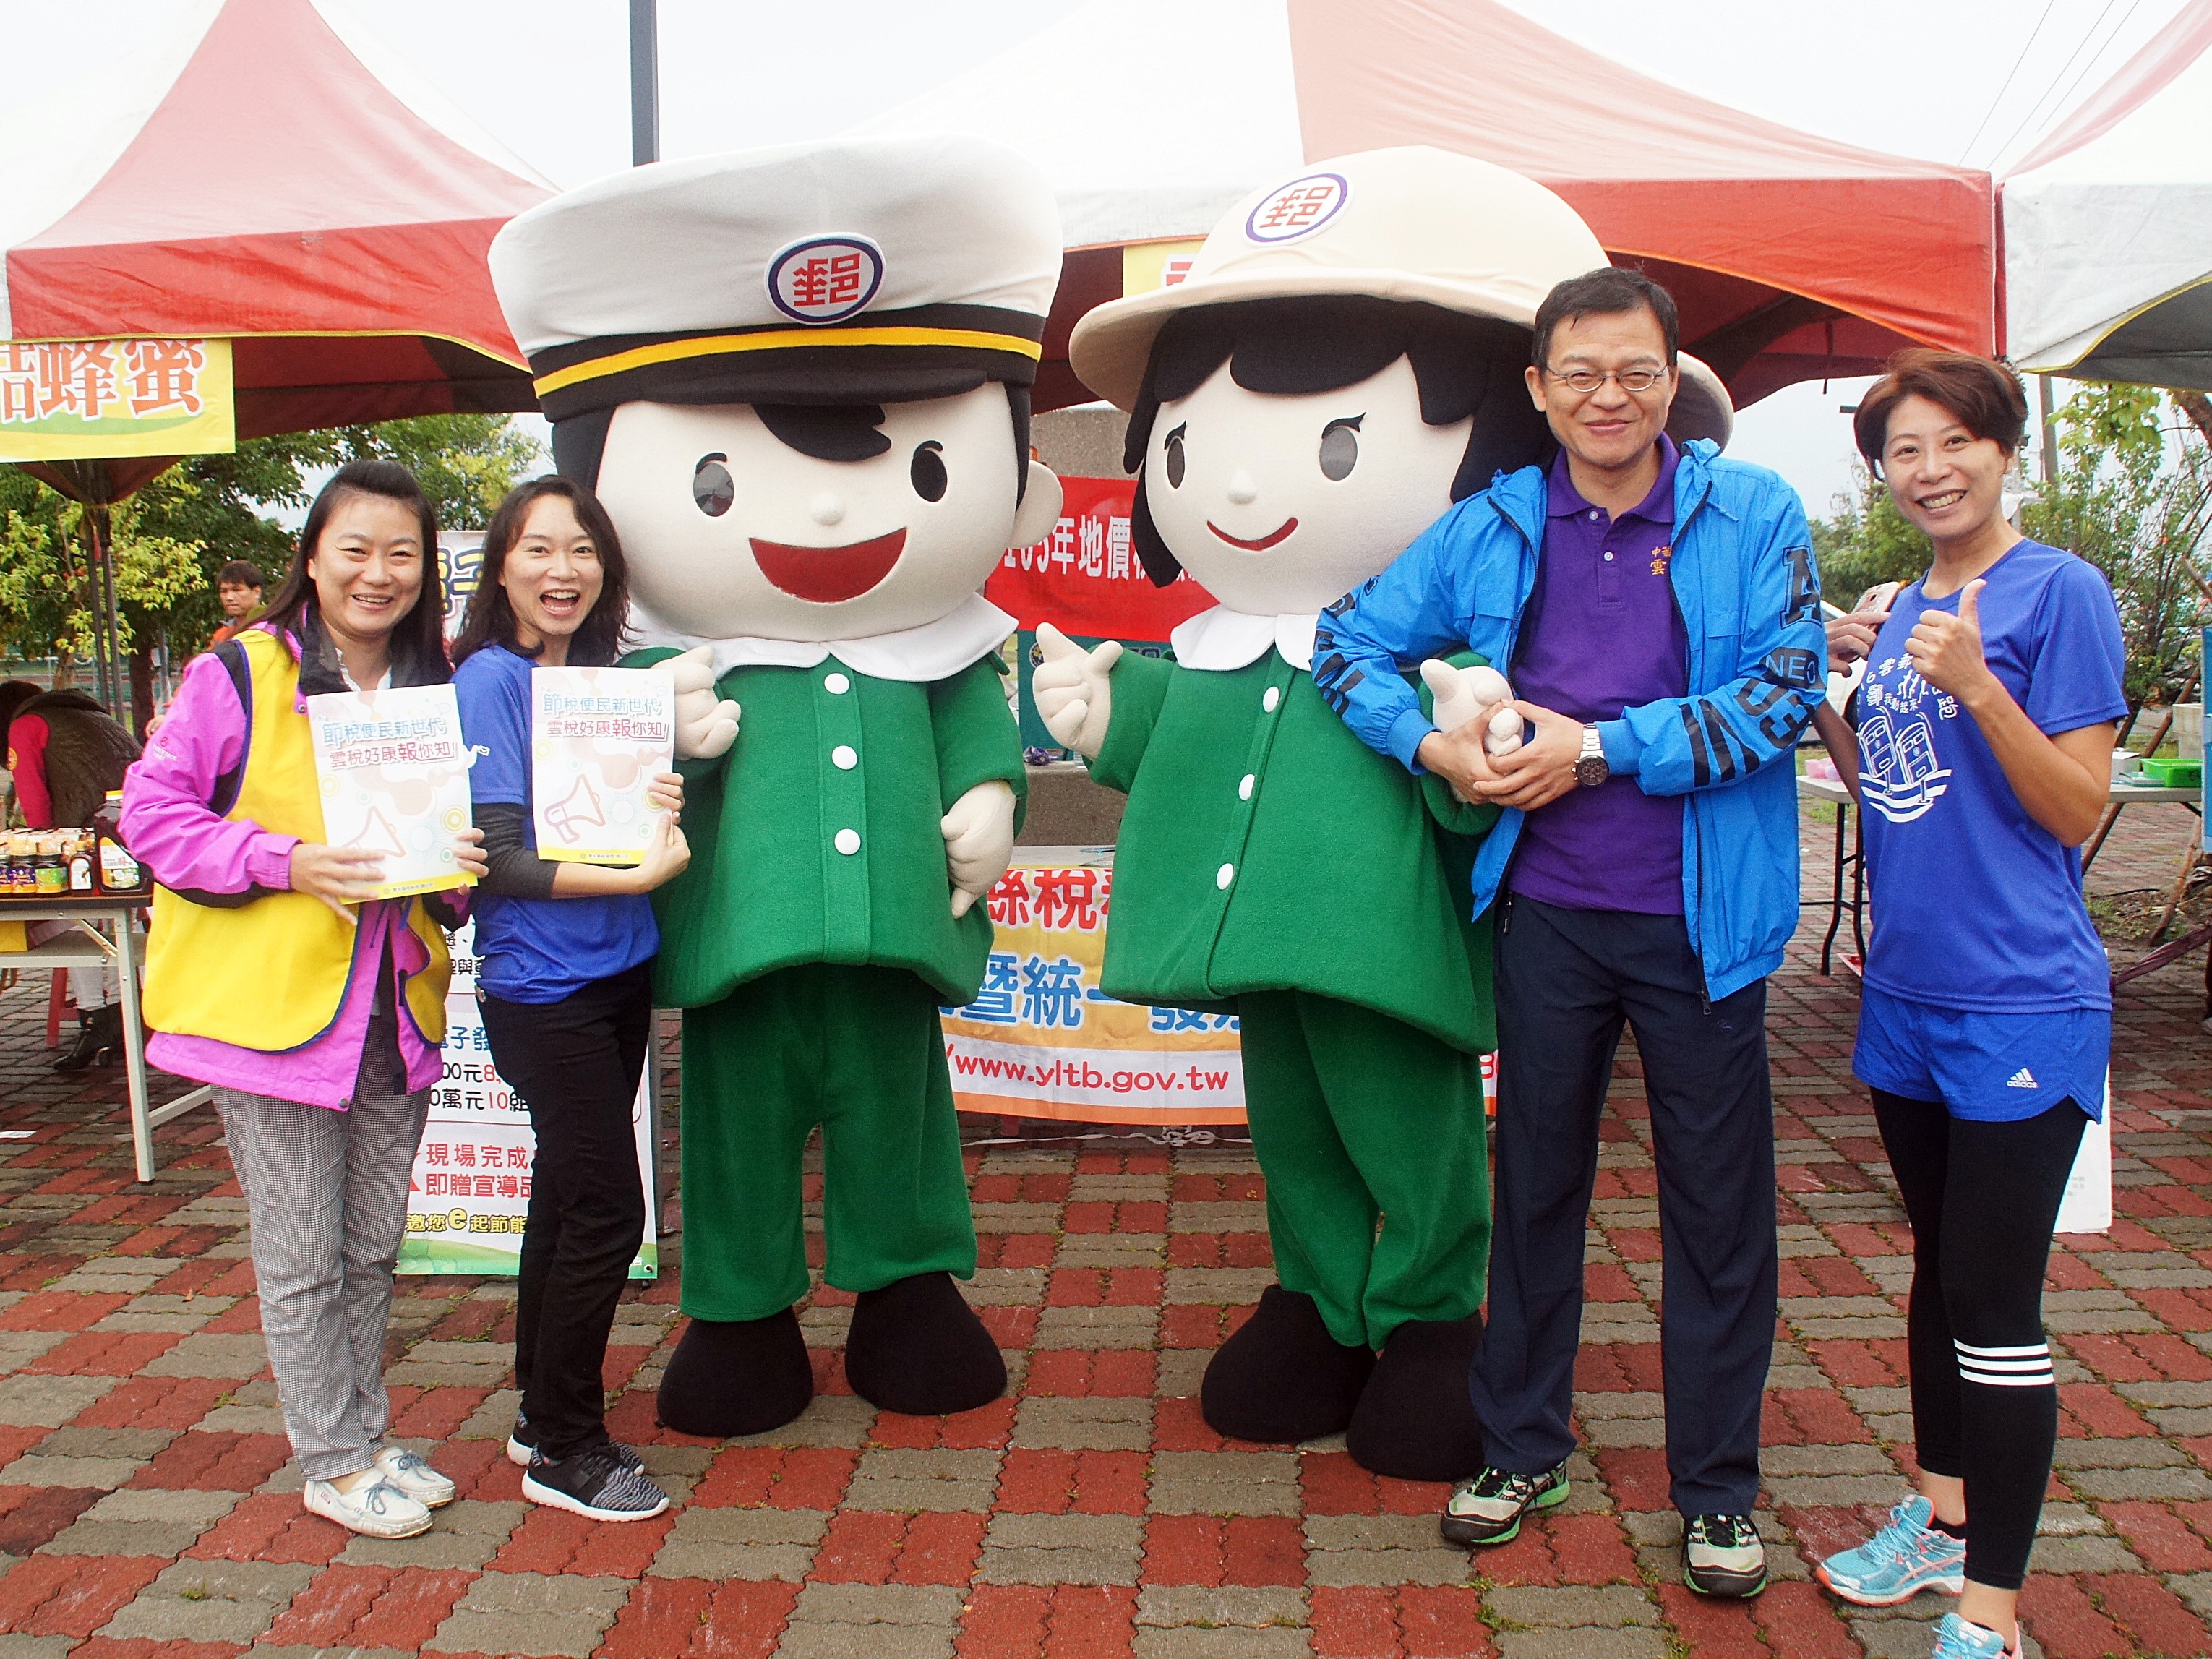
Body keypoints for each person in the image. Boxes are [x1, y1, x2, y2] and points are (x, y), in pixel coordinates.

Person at [1312, 267, 1826, 1599]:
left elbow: (1779, 693)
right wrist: (1433, 745)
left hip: (1704, 922)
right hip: (1545, 913)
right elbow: (1342, 645)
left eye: (1636, 372)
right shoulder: (1491, 525)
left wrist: (1592, 746)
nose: (1611, 397)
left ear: (1675, 381)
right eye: (1581, 374)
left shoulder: (1753, 511)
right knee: (1533, 1189)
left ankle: (1716, 1490)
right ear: (1538, 390)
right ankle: (1521, 1442)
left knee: (1718, 1214)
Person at [1806, 352, 2122, 1659]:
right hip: (1910, 999)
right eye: (1903, 451)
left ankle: (1989, 1611)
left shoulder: (2062, 594)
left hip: (2022, 1002)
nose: (1929, 469)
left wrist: (1980, 684)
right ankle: (1938, 1527)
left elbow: (2078, 811)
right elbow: (1891, 789)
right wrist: (1826, 697)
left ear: (2005, 450)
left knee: (1996, 1308)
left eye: (1954, 443)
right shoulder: (1910, 605)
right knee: (1939, 1280)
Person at [124, 459, 488, 1541]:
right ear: (312, 559)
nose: (379, 574)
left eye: (403, 554)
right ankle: (329, 1457)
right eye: (356, 550)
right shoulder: (237, 673)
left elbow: (443, 863)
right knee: (301, 1255)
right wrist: (285, 860)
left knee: (372, 1245)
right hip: (268, 1017)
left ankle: (366, 1437)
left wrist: (456, 867)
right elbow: (153, 814)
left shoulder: (434, 690)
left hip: (392, 1011)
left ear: (428, 571)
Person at [451, 476, 689, 1522]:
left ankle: (536, 1409)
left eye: (584, 549)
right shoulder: (491, 680)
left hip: (617, 971)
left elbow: (608, 821)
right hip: (542, 987)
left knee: (564, 1188)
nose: (564, 570)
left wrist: (657, 802)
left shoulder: (608, 686)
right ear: (500, 565)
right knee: (607, 1205)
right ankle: (569, 1446)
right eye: (541, 549)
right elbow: (498, 856)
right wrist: (635, 873)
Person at [0, 680, 142, 1068]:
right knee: (124, 926)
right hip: (136, 827)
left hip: (91, 834)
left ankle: (97, 1019)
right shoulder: (90, 714)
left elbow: (36, 808)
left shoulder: (26, 725)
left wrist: (34, 849)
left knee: (76, 922)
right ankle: (129, 1017)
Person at [210, 560, 266, 648]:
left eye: (237, 590)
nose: (229, 598)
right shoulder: (221, 635)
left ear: (257, 592)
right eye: (224, 591)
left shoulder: (272, 629)